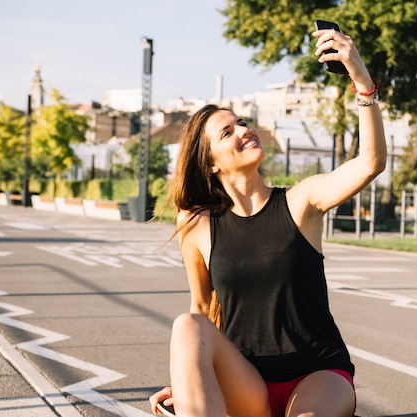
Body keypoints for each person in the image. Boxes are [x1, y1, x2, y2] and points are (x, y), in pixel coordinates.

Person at [149, 26, 386, 417]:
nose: (245, 130)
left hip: (317, 372)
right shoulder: (196, 224)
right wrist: (190, 382)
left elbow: (371, 163)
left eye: (242, 122)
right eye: (228, 132)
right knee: (185, 326)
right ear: (210, 162)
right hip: (249, 381)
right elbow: (203, 308)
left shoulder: (301, 201)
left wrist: (359, 76)